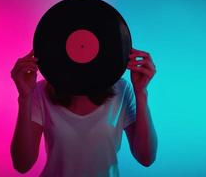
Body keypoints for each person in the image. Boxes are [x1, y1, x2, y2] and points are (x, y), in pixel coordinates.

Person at [10, 47, 157, 177]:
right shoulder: (41, 91)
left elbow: (146, 158)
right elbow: (22, 164)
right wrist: (25, 97)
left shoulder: (122, 89)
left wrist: (141, 93)